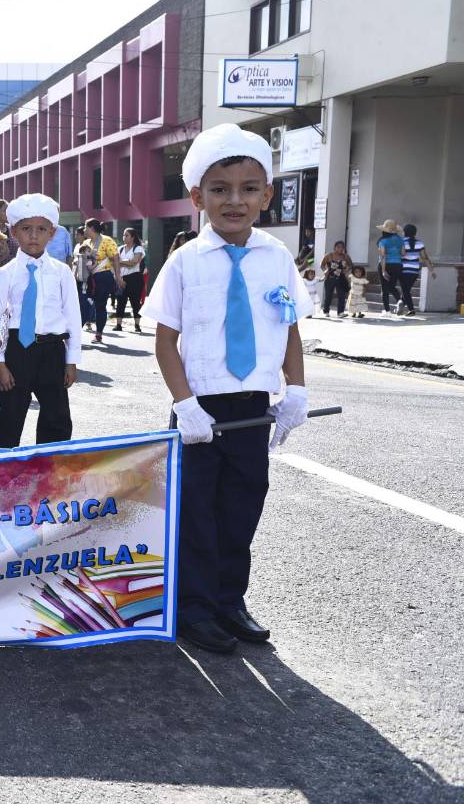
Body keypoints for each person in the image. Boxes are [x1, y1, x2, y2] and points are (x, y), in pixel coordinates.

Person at [141, 123, 313, 655]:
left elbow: (289, 327)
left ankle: (230, 600)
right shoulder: (185, 261)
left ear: (266, 195)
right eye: (219, 189)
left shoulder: (276, 258)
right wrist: (184, 405)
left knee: (242, 507)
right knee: (196, 512)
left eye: (247, 188)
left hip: (252, 408)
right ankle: (194, 609)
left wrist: (297, 391)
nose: (234, 200)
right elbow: (165, 341)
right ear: (197, 197)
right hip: (200, 407)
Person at [0, 194, 81, 448]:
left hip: (52, 352)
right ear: (14, 231)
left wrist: (71, 361)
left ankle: (49, 475)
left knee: (57, 418)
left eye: (41, 229)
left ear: (53, 232)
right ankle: (4, 479)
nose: (34, 236)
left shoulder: (62, 273)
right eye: (26, 229)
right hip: (17, 351)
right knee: (10, 417)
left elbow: (73, 317)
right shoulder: (6, 274)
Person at [85, 218, 122, 344]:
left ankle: (98, 333)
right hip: (89, 278)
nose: (84, 230)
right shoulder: (87, 242)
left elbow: (116, 258)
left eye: (86, 227)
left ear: (92, 229)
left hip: (103, 277)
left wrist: (118, 277)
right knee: (85, 303)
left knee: (100, 305)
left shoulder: (107, 241)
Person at [397, 224, 435, 316]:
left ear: (405, 232)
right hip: (414, 271)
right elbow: (424, 258)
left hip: (402, 270)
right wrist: (432, 270)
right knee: (406, 290)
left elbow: (398, 254)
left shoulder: (401, 242)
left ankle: (411, 309)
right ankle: (401, 303)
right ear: (415, 232)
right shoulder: (420, 243)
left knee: (405, 290)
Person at [114, 227, 146, 334]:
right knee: (120, 301)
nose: (124, 237)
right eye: (123, 235)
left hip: (135, 277)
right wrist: (122, 265)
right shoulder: (120, 249)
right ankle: (118, 324)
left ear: (132, 237)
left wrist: (120, 262)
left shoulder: (138, 248)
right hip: (122, 277)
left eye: (127, 235)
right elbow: (114, 263)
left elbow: (134, 262)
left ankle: (137, 325)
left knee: (135, 301)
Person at [376, 219, 405, 314]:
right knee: (392, 286)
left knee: (384, 288)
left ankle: (387, 311)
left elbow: (382, 256)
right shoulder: (400, 240)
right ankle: (399, 300)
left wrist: (384, 270)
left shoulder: (382, 241)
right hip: (398, 265)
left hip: (386, 264)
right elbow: (403, 253)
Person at [318, 240, 352, 317]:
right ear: (334, 247)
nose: (340, 249)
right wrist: (325, 270)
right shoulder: (329, 255)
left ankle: (340, 312)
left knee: (342, 295)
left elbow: (351, 265)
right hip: (330, 277)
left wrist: (347, 270)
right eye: (338, 247)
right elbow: (322, 265)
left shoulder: (346, 256)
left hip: (341, 278)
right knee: (328, 295)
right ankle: (326, 311)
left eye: (342, 247)